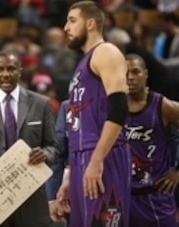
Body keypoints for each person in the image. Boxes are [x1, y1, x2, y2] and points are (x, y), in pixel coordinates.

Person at [0, 50, 59, 227]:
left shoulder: (41, 103)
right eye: (0, 70)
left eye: (11, 69)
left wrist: (44, 155)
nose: (5, 74)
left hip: (31, 197)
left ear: (20, 71)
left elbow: (53, 146)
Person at [56, 1, 130, 226]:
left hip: (102, 154)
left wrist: (97, 160)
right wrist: (69, 177)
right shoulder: (83, 62)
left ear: (90, 23)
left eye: (72, 20)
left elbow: (119, 108)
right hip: (82, 157)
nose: (66, 28)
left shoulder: (105, 52)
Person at [124, 54, 179, 226]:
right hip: (122, 195)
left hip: (155, 195)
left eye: (135, 72)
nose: (130, 77)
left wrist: (178, 171)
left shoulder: (162, 105)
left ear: (146, 74)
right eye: (125, 73)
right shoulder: (111, 107)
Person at [46, 100, 70, 226]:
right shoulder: (68, 107)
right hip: (73, 191)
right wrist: (52, 197)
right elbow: (58, 155)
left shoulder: (115, 106)